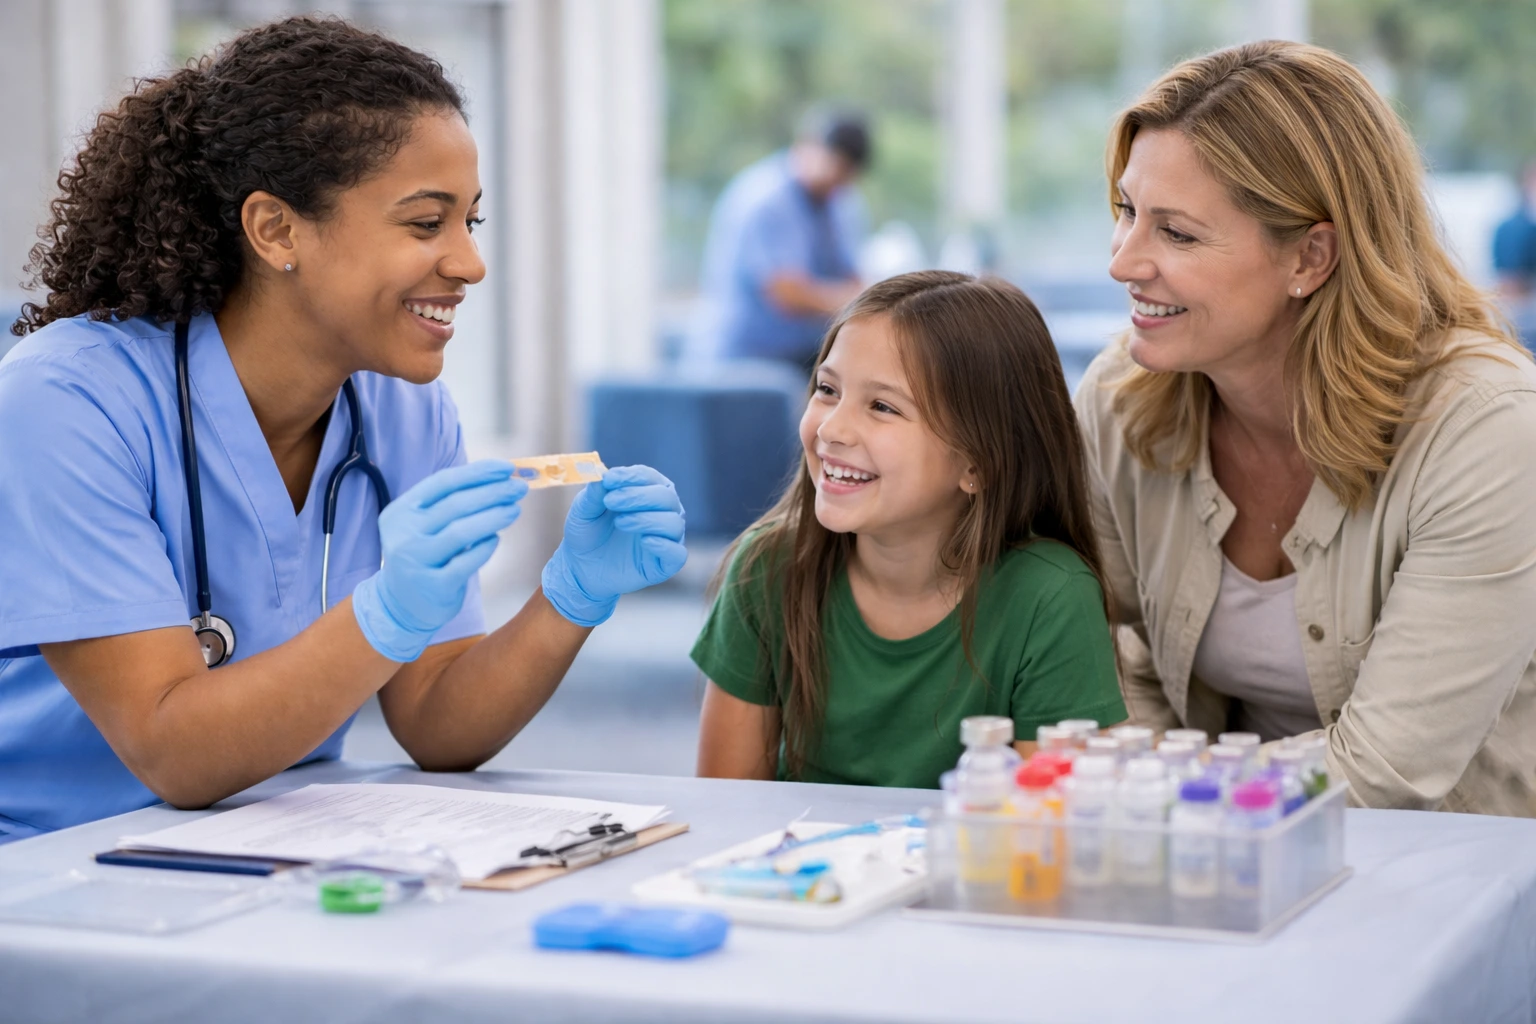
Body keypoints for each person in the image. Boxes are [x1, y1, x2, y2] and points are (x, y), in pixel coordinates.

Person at [0, 18, 688, 842]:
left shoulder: (403, 410)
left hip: (272, 843)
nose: (469, 264)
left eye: (471, 223)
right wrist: (383, 613)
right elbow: (172, 751)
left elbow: (436, 722)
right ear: (277, 230)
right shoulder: (67, 401)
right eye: (426, 223)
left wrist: (568, 597)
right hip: (50, 864)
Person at [1077, 40, 1536, 816]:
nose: (1123, 262)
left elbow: (1385, 769)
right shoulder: (1122, 398)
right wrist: (1152, 800)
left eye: (1176, 233)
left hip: (1463, 864)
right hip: (1222, 851)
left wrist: (1161, 796)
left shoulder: (1489, 429)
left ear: (1310, 257)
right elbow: (1100, 651)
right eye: (1127, 212)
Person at [694, 271, 1126, 788]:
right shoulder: (766, 568)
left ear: (977, 463)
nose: (831, 428)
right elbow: (727, 804)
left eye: (882, 406)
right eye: (827, 389)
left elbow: (1056, 821)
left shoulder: (1050, 596)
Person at [696, 109, 871, 373]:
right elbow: (787, 293)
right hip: (743, 361)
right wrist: (858, 302)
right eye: (834, 167)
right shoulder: (767, 198)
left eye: (846, 174)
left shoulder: (837, 201)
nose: (837, 180)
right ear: (806, 146)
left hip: (799, 356)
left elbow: (850, 275)